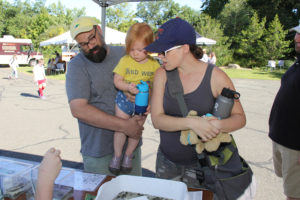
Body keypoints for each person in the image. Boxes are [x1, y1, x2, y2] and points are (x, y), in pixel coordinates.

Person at [145, 18, 246, 188]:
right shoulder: (161, 74)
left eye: (165, 51)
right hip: (166, 162)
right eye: (158, 52)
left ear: (185, 48)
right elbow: (157, 120)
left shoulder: (216, 76)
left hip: (204, 166)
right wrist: (193, 123)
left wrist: (216, 125)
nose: (160, 57)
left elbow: (240, 118)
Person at [66, 16, 145, 176]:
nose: (90, 46)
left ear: (99, 30)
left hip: (130, 149)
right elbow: (79, 109)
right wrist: (125, 126)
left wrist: (143, 96)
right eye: (83, 44)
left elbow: (148, 78)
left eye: (91, 38)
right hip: (99, 154)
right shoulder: (77, 66)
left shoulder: (125, 55)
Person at [109, 23, 160, 174]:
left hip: (143, 103)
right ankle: (117, 156)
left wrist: (151, 102)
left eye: (139, 50)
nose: (135, 53)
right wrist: (126, 87)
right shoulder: (125, 60)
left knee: (136, 130)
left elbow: (157, 86)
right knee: (120, 128)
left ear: (150, 47)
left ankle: (128, 156)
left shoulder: (154, 64)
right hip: (124, 100)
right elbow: (117, 80)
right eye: (132, 49)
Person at [268, 24, 300, 200]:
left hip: (296, 146)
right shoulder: (297, 63)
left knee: (294, 195)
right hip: (282, 139)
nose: (297, 38)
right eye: (297, 34)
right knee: (290, 188)